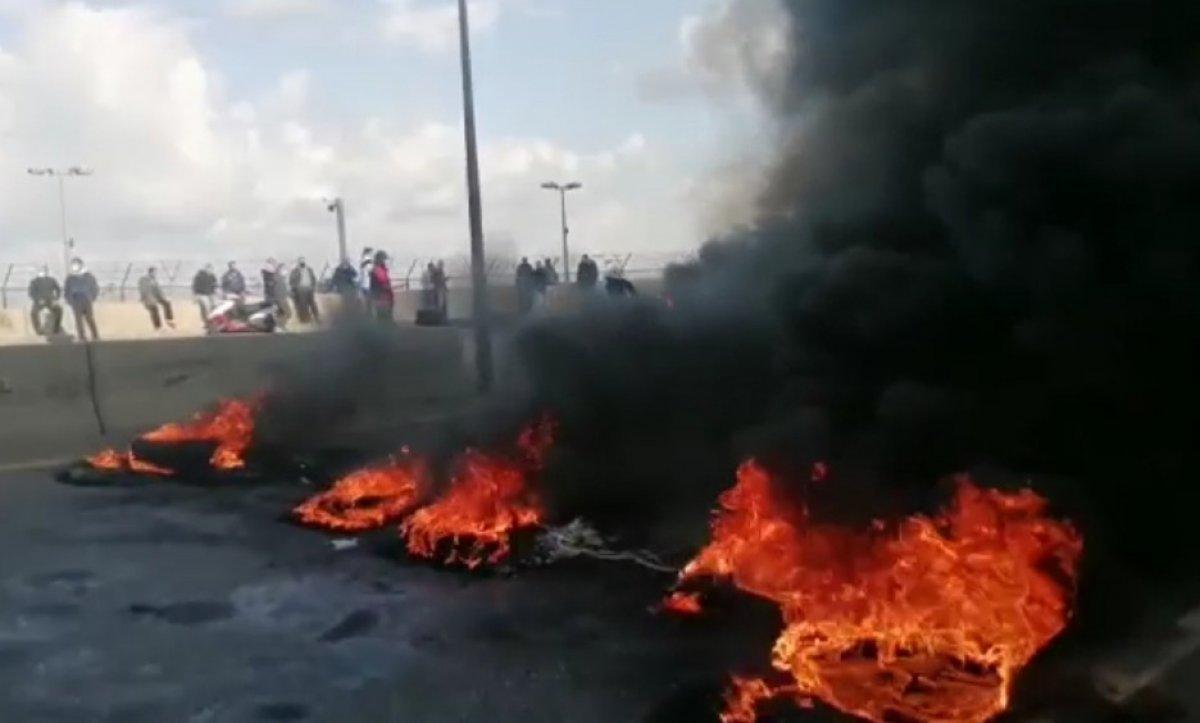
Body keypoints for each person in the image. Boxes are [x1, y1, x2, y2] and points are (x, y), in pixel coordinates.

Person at [64, 257, 100, 341]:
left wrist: (91, 298)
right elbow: (67, 290)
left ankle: (95, 335)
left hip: (86, 299)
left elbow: (94, 288)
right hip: (76, 300)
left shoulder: (88, 276)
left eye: (76, 265)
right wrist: (70, 301)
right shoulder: (70, 278)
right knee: (78, 319)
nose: (74, 267)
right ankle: (81, 336)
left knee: (89, 318)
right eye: (73, 265)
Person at [28, 266, 63, 336]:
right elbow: (31, 293)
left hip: (50, 300)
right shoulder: (34, 281)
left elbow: (58, 289)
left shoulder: (52, 280)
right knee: (33, 312)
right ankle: (38, 330)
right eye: (42, 270)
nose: (43, 272)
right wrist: (38, 300)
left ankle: (56, 328)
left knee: (59, 310)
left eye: (44, 270)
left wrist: (56, 299)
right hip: (39, 301)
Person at [138, 267, 175, 331]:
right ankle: (158, 327)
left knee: (167, 303)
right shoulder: (144, 279)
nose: (156, 274)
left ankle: (169, 320)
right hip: (148, 298)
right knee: (154, 309)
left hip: (156, 297)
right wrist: (150, 299)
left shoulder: (154, 279)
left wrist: (164, 298)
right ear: (151, 272)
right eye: (155, 272)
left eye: (156, 272)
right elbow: (145, 290)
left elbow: (158, 290)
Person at [289, 257, 320, 324]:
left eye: (303, 261)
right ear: (298, 263)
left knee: (312, 303)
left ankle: (317, 317)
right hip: (301, 289)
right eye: (301, 261)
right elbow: (291, 281)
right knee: (303, 305)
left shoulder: (309, 269)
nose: (302, 263)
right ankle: (305, 319)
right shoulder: (295, 271)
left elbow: (313, 278)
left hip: (309, 288)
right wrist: (295, 288)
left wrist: (313, 286)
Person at [369, 250, 394, 322]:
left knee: (383, 315)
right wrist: (388, 287)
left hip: (382, 296)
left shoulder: (380, 269)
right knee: (384, 316)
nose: (385, 261)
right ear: (380, 260)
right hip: (381, 296)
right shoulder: (378, 269)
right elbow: (383, 282)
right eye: (384, 259)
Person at [272, 260, 292, 329]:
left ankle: (281, 325)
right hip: (280, 298)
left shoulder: (279, 277)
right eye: (282, 268)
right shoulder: (277, 277)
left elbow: (284, 288)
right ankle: (281, 325)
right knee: (288, 313)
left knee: (284, 313)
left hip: (283, 297)